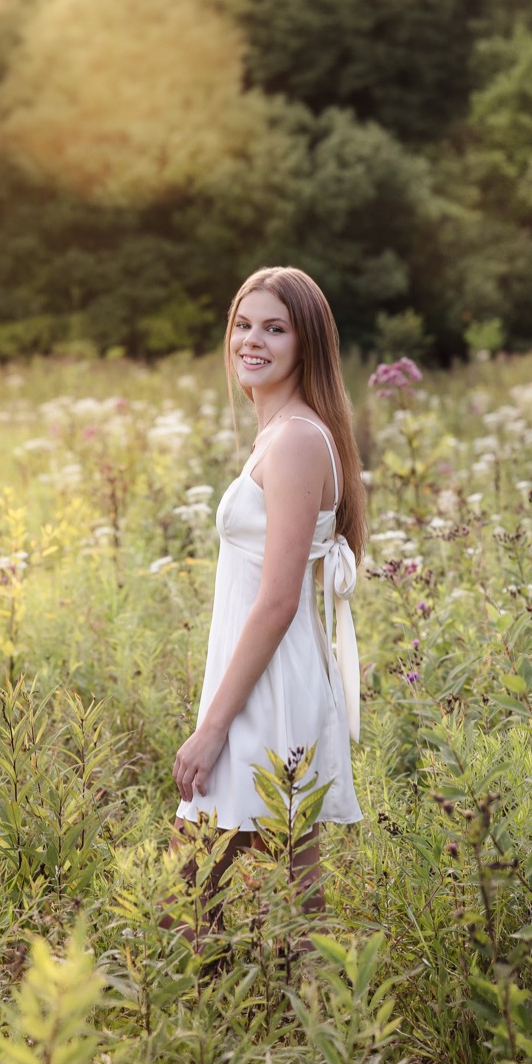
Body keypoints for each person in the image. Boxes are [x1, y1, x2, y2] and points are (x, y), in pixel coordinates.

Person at [168, 265, 367, 948]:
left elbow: (279, 598)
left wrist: (213, 727)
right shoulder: (285, 434)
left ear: (305, 344)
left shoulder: (295, 442)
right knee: (246, 892)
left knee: (202, 892)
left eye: (274, 329)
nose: (252, 340)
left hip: (266, 688)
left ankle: (304, 1033)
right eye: (243, 325)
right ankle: (298, 1030)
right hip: (261, 678)